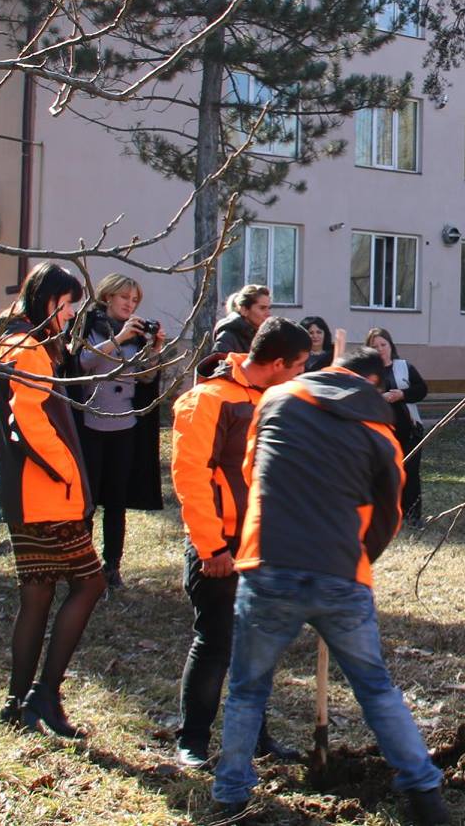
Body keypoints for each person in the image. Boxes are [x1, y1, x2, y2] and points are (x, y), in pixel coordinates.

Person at [214, 347, 451, 825]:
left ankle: (230, 794)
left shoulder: (278, 399)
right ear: (370, 385)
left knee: (247, 689)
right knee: (376, 689)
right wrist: (360, 557)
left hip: (269, 562)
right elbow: (391, 512)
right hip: (340, 570)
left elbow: (250, 469)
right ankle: (425, 792)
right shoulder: (379, 431)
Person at [169, 316, 313, 769]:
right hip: (221, 548)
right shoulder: (207, 400)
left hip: (264, 544)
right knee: (216, 643)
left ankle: (255, 735)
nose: (301, 375)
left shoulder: (276, 399)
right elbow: (190, 479)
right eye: (299, 366)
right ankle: (192, 740)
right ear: (275, 363)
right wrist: (211, 548)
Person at [0, 263, 103, 737]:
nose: (71, 313)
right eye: (66, 303)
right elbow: (28, 422)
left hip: (24, 495)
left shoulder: (8, 339)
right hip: (48, 496)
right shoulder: (27, 348)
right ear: (45, 300)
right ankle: (44, 695)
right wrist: (68, 476)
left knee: (36, 595)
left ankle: (18, 703)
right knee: (89, 585)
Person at [73, 274, 165, 591]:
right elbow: (82, 362)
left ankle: (111, 567)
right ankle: (81, 567)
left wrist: (154, 349)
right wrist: (120, 338)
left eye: (134, 300)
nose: (130, 304)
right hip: (90, 424)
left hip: (125, 425)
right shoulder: (87, 326)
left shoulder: (136, 335)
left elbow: (146, 379)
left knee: (116, 501)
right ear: (108, 296)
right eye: (124, 297)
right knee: (87, 502)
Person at [367, 328, 430, 520]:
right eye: (375, 346)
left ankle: (412, 517)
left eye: (383, 344)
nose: (380, 349)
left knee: (410, 474)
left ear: (390, 345)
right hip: (381, 433)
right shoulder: (367, 372)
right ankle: (387, 516)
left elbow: (422, 390)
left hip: (409, 432)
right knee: (384, 475)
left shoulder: (404, 367)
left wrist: (402, 394)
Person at [212, 284, 272, 357]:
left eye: (269, 308)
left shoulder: (265, 337)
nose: (268, 314)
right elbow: (220, 365)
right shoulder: (227, 337)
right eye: (262, 308)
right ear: (244, 310)